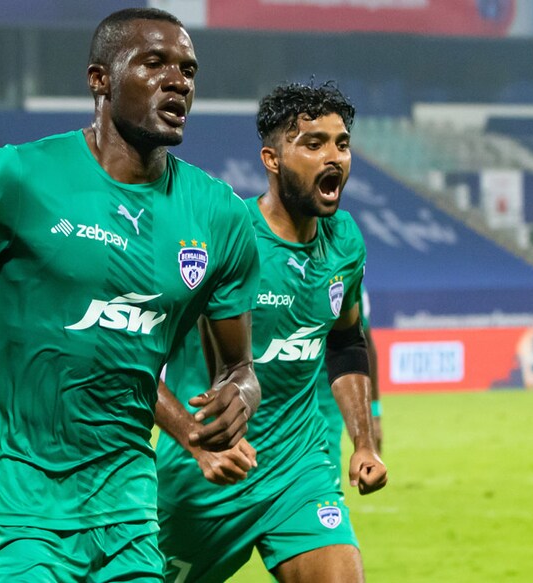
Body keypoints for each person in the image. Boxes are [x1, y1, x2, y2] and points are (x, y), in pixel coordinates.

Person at [0, 7, 262, 581]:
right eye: (154, 63)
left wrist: (239, 397)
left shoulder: (219, 213)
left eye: (188, 69)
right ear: (99, 79)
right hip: (14, 513)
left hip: (128, 513)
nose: (178, 80)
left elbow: (237, 369)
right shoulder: (18, 177)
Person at [155, 81, 389, 583]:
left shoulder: (344, 240)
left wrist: (364, 442)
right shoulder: (222, 236)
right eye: (313, 143)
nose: (334, 157)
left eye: (342, 143)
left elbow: (346, 342)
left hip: (300, 469)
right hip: (205, 477)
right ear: (273, 158)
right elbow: (133, 355)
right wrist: (194, 440)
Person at [317, 284, 382, 469]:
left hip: (325, 409)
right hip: (267, 411)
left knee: (324, 484)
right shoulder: (258, 266)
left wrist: (373, 414)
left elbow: (361, 342)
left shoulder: (344, 271)